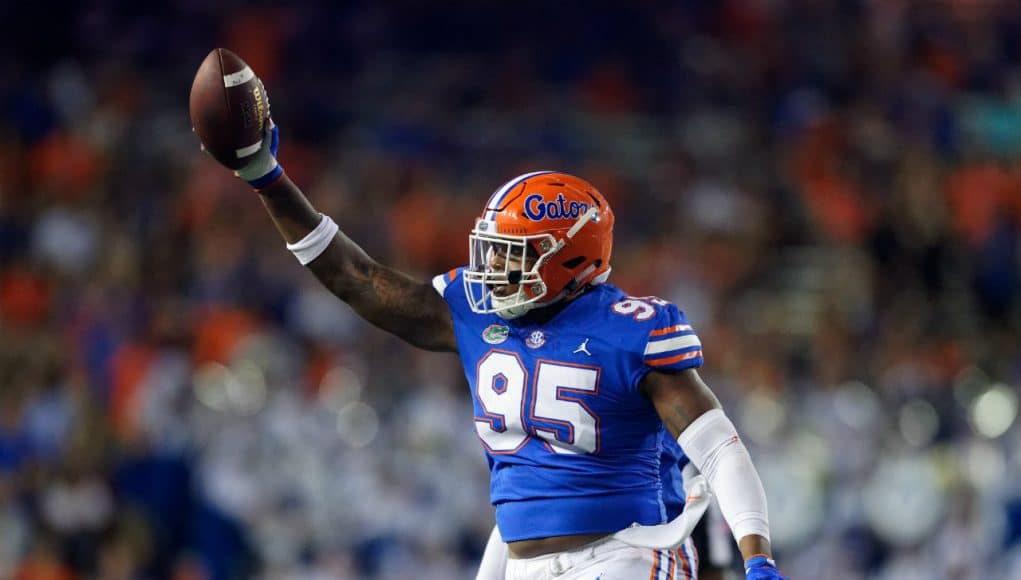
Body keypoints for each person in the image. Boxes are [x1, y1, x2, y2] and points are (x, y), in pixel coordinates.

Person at [199, 114, 787, 579]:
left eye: (514, 254)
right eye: (494, 249)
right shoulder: (475, 311)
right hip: (519, 555)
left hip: (624, 556)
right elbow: (358, 279)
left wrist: (757, 556)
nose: (493, 267)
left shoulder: (633, 329)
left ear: (571, 260)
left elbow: (719, 450)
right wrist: (267, 177)